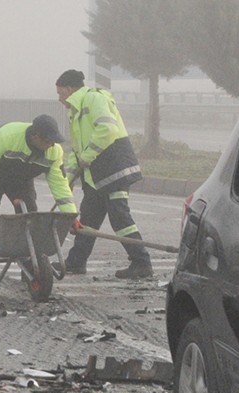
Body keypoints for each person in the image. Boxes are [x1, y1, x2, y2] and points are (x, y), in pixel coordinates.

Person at [0, 115, 78, 284]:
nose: (51, 145)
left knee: (31, 218)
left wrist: (70, 216)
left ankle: (30, 265)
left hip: (20, 179)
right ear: (35, 136)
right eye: (48, 141)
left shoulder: (54, 152)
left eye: (54, 141)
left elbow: (59, 185)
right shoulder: (7, 136)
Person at [55, 69, 153, 279]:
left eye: (60, 93)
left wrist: (88, 155)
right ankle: (76, 262)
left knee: (119, 216)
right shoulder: (75, 110)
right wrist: (68, 178)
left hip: (115, 169)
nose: (59, 99)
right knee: (89, 216)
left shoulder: (93, 99)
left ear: (69, 89)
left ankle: (141, 262)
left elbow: (107, 129)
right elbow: (77, 149)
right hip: (97, 174)